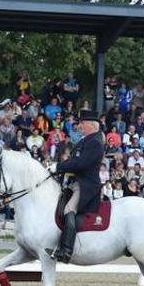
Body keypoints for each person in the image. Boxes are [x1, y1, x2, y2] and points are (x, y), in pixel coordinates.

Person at [45, 110, 105, 263]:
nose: (80, 126)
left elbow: (81, 164)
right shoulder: (88, 140)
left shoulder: (95, 142)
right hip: (75, 183)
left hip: (85, 186)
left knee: (68, 210)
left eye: (82, 123)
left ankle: (66, 251)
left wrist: (58, 167)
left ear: (91, 125)